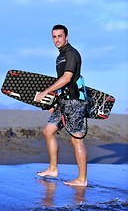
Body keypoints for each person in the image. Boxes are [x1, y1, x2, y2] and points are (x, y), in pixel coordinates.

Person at [35, 24, 87, 187]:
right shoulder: (60, 56)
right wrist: (55, 101)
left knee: (76, 140)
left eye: (60, 36)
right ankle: (52, 168)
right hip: (63, 102)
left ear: (67, 37)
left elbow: (66, 78)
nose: (57, 39)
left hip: (75, 102)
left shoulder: (71, 53)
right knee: (48, 130)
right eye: (54, 36)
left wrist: (45, 92)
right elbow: (62, 84)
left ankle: (82, 179)